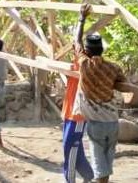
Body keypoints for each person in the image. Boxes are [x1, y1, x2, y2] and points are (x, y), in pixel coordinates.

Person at [73, 4, 127, 183]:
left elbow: (76, 41)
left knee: (98, 166)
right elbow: (123, 83)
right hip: (112, 121)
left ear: (86, 52)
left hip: (96, 124)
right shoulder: (113, 68)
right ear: (102, 50)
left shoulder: (83, 65)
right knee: (106, 163)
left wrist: (82, 18)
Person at [61, 51, 94, 183]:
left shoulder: (88, 65)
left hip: (78, 115)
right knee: (74, 147)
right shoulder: (77, 62)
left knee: (70, 148)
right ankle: (89, 175)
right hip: (69, 112)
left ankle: (69, 180)